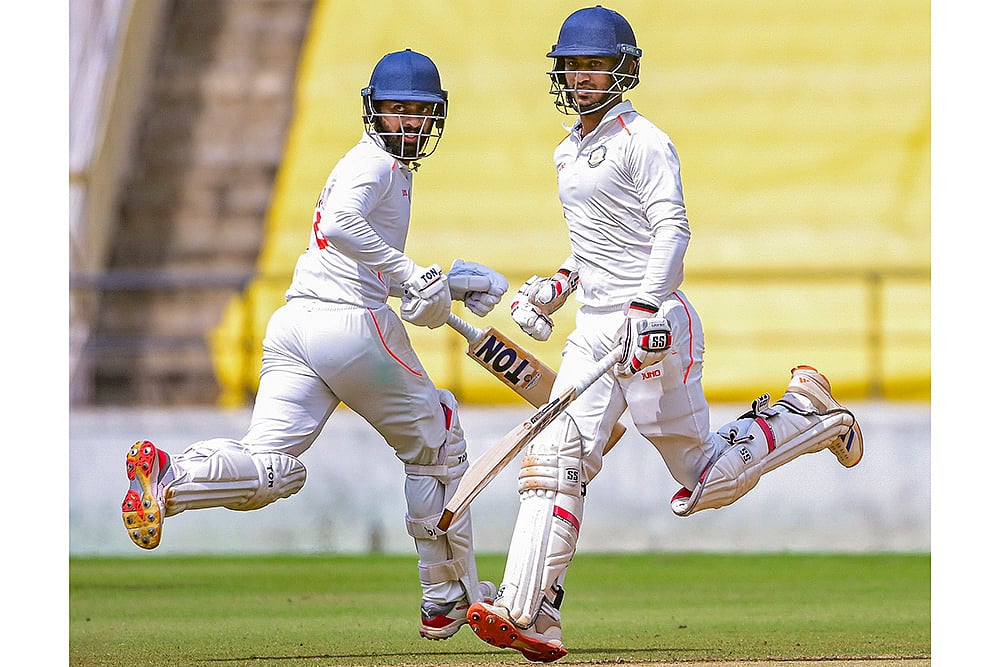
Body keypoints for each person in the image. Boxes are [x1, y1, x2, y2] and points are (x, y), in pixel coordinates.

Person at [465, 7, 864, 662]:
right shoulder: (567, 151)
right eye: (573, 64)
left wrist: (647, 308)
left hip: (654, 327)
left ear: (622, 69)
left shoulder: (644, 140)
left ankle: (806, 414)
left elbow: (671, 230)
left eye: (594, 64)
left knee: (700, 480)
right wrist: (559, 286)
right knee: (556, 458)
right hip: (595, 331)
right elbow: (594, 248)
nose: (582, 76)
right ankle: (528, 610)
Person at [120, 49, 509, 642]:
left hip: (297, 326)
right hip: (350, 327)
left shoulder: (378, 168)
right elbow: (340, 228)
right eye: (395, 110)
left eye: (418, 112)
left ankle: (171, 482)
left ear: (434, 117)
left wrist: (447, 282)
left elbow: (355, 252)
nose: (407, 122)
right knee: (441, 437)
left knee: (274, 469)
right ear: (372, 112)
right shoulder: (375, 165)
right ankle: (444, 596)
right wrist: (411, 275)